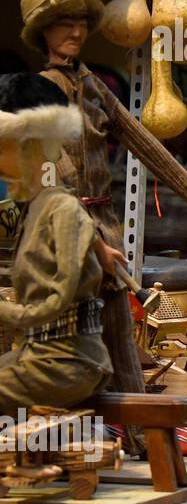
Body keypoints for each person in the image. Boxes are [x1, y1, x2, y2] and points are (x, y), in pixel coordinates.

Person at [19, 0, 187, 397]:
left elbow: (155, 155)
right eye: (62, 23)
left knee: (122, 342)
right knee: (69, 346)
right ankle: (74, 438)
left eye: (79, 22)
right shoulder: (40, 92)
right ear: (43, 33)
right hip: (60, 237)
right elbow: (54, 182)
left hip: (103, 226)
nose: (74, 32)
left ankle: (138, 435)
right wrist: (91, 244)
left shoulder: (93, 87)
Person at [0, 73, 111, 417]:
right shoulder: (35, 200)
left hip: (66, 360)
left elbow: (56, 299)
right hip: (40, 352)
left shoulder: (58, 205)